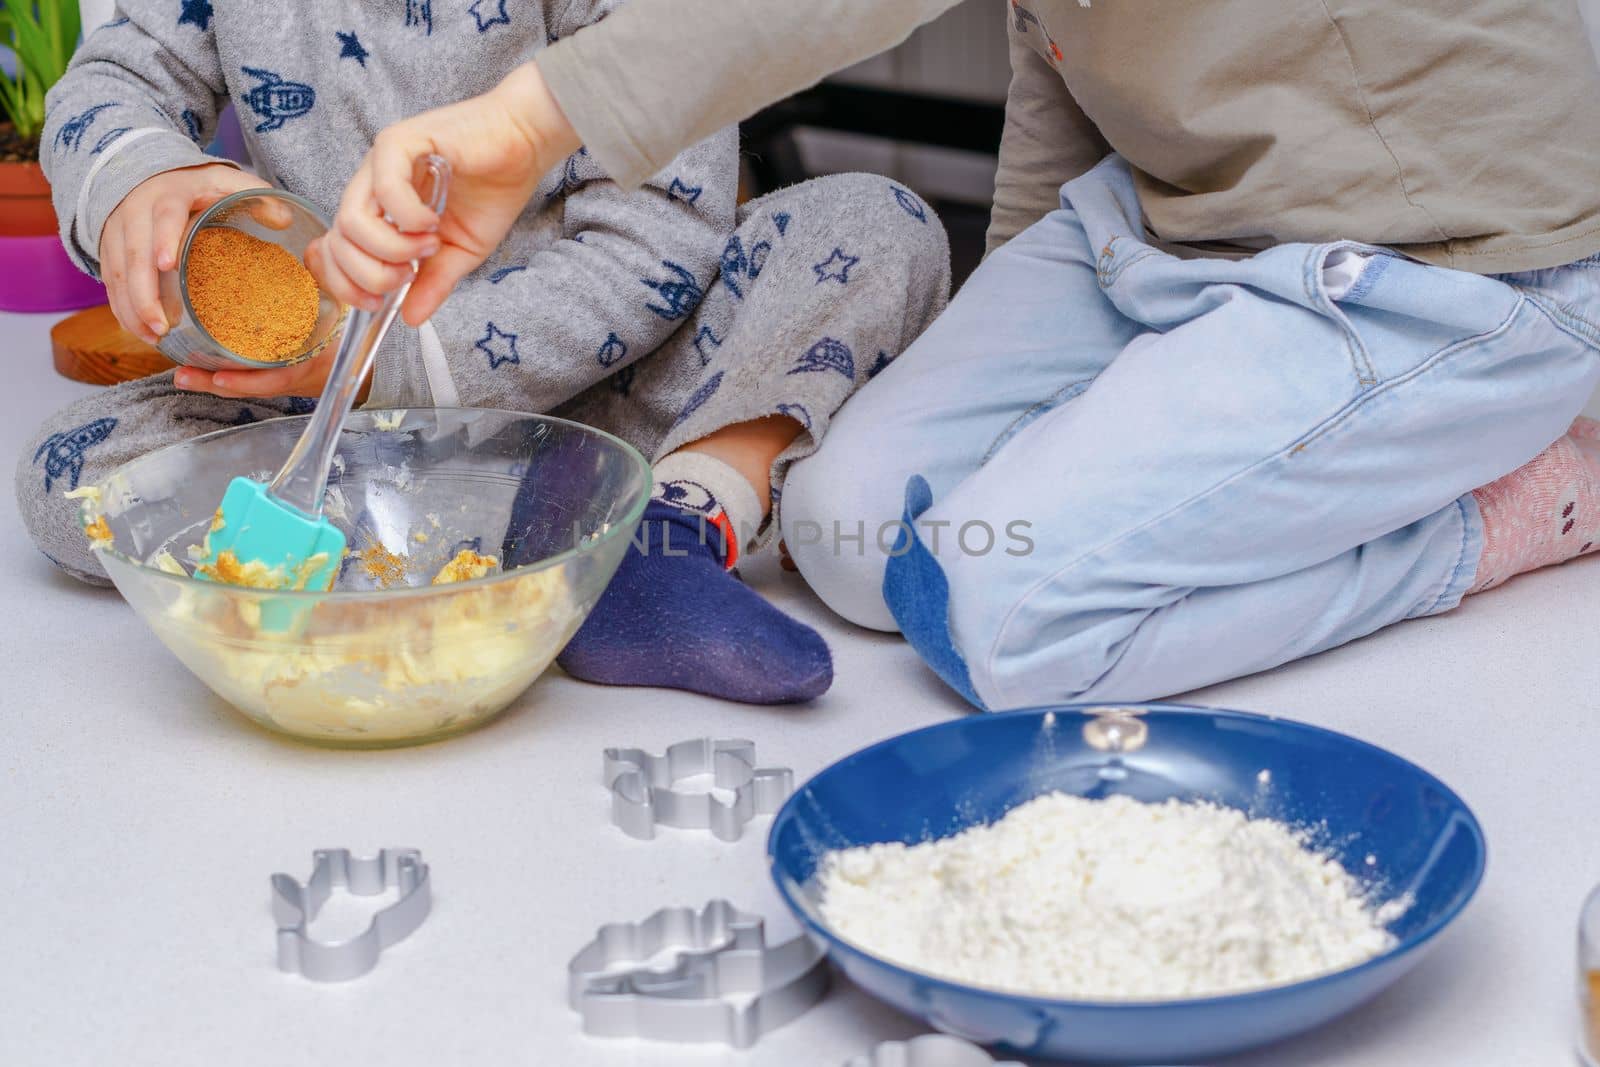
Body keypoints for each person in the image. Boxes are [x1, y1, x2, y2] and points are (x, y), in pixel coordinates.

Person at [325, 0, 1600, 709]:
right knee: (847, 535)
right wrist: (1011, 359)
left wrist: (524, 116)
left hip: (1444, 265)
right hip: (1165, 228)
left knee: (1005, 617)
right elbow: (1066, 67)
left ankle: (1505, 513)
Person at [14, 0, 952, 705]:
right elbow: (111, 81)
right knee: (70, 483)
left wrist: (410, 358)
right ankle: (527, 550)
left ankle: (669, 524)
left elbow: (663, 239)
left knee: (873, 224)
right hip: (342, 419)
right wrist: (142, 174)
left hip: (616, 374)